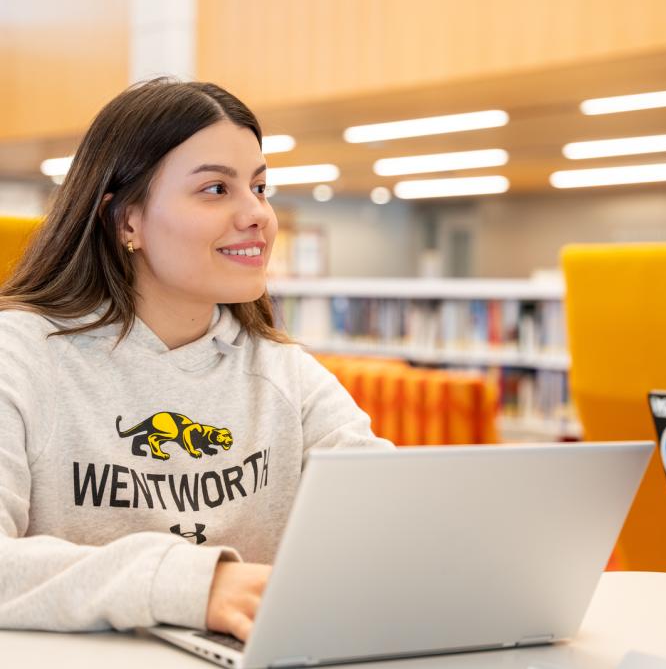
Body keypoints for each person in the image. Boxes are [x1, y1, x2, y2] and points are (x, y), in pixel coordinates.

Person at [0, 77, 393, 643]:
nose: (257, 213)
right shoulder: (21, 358)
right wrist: (194, 585)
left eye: (260, 187)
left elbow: (394, 517)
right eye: (215, 189)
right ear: (126, 220)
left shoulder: (287, 375)